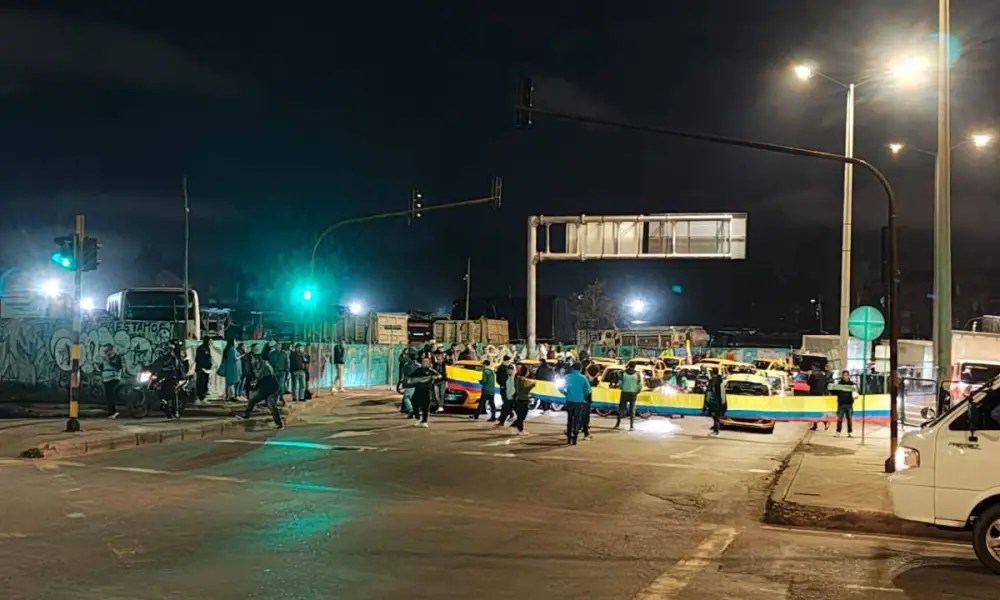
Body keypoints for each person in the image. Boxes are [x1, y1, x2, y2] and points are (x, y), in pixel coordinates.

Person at [238, 359, 283, 429]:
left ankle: (279, 424)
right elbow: (259, 378)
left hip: (271, 389)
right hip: (264, 389)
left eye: (253, 361)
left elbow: (259, 376)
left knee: (272, 406)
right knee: (252, 400)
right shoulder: (261, 366)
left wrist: (255, 370)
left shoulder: (265, 366)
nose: (252, 362)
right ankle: (246, 415)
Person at [559, 364, 592, 445]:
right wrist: (583, 396)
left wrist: (566, 393)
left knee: (570, 419)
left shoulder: (567, 377)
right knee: (577, 419)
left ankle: (569, 437)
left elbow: (560, 387)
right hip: (579, 401)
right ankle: (575, 437)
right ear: (580, 369)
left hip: (569, 400)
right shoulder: (583, 378)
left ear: (572, 368)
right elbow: (588, 390)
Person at [406, 355, 442, 427]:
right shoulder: (418, 370)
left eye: (426, 362)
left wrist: (436, 377)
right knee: (414, 403)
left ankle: (424, 421)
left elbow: (439, 376)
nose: (425, 363)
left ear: (429, 363)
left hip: (427, 390)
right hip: (418, 390)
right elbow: (411, 376)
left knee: (425, 406)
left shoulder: (431, 370)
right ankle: (417, 418)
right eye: (424, 361)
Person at [97, 343, 122, 419]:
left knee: (111, 396)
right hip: (106, 379)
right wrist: (99, 364)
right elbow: (102, 368)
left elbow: (118, 366)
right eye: (104, 351)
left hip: (114, 378)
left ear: (111, 350)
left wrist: (109, 361)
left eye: (107, 351)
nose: (106, 353)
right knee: (108, 397)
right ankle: (110, 413)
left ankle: (113, 412)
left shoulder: (116, 357)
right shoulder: (105, 358)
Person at [831, 370, 858, 437]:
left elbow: (856, 393)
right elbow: (834, 393)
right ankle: (838, 432)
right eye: (844, 375)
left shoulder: (852, 384)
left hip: (849, 404)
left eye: (846, 375)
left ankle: (849, 432)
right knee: (839, 419)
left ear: (848, 376)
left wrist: (856, 390)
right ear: (842, 376)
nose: (845, 376)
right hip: (841, 404)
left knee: (849, 419)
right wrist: (831, 389)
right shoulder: (839, 384)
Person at [616, 363, 641, 430]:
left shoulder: (624, 373)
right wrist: (637, 391)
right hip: (633, 393)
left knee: (621, 408)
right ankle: (631, 426)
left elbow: (620, 383)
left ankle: (618, 424)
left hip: (624, 393)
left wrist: (622, 388)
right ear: (634, 367)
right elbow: (639, 384)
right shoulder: (637, 374)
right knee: (632, 410)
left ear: (629, 366)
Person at [511, 364, 535, 434]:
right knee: (522, 415)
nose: (528, 373)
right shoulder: (521, 379)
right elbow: (524, 390)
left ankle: (518, 427)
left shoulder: (520, 379)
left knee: (521, 415)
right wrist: (531, 386)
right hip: (522, 399)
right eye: (527, 372)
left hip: (523, 399)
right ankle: (519, 428)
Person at [496, 362, 517, 428]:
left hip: (514, 397)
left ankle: (518, 425)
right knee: (504, 408)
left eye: (510, 369)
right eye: (508, 370)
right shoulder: (508, 378)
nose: (509, 371)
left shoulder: (515, 378)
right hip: (508, 397)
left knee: (519, 412)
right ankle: (501, 422)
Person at [398, 352, 419, 416]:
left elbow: (405, 374)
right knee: (412, 397)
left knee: (406, 398)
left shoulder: (406, 365)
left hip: (409, 383)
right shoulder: (419, 365)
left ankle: (411, 410)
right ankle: (412, 411)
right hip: (417, 383)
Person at [704, 371, 725, 436]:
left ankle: (716, 431)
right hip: (717, 403)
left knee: (716, 416)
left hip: (715, 403)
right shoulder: (720, 384)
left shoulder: (716, 384)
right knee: (715, 416)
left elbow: (710, 393)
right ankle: (716, 429)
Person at [194, 338, 213, 403]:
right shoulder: (201, 348)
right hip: (202, 369)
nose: (211, 342)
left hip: (207, 369)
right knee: (201, 382)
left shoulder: (208, 348)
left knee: (205, 382)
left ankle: (203, 396)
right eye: (210, 341)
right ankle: (200, 397)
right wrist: (202, 367)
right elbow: (198, 359)